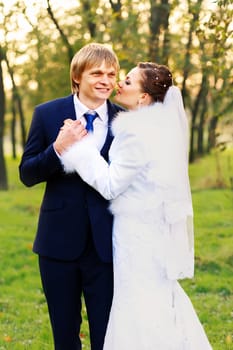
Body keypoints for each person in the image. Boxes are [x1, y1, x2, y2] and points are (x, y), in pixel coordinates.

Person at [59, 62, 213, 349]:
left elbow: (110, 185)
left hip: (136, 234)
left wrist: (77, 147)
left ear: (143, 97)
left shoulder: (138, 133)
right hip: (150, 228)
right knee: (154, 297)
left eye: (128, 81)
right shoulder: (158, 129)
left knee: (138, 302)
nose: (120, 83)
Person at [19, 43, 125, 350]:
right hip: (57, 244)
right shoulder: (47, 114)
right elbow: (27, 174)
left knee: (107, 338)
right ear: (77, 77)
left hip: (109, 246)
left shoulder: (126, 121)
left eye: (111, 73)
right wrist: (57, 148)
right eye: (97, 73)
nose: (106, 79)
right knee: (64, 336)